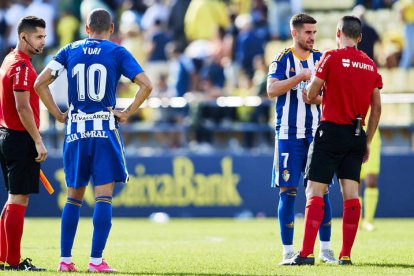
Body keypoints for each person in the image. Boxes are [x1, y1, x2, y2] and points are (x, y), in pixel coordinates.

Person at [34, 8, 152, 272]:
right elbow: (146, 84)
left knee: (73, 197)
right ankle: (96, 261)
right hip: (103, 128)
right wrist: (127, 112)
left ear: (86, 29)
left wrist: (58, 114)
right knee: (103, 197)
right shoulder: (118, 51)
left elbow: (40, 83)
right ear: (111, 29)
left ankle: (65, 261)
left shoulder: (69, 49)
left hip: (76, 130)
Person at [286, 15, 382, 265]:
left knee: (314, 190)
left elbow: (313, 92)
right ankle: (346, 255)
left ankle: (306, 253)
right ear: (360, 37)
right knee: (351, 193)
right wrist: (368, 141)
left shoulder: (331, 57)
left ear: (338, 34)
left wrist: (318, 96)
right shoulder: (371, 65)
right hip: (357, 134)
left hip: (330, 132)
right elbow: (377, 109)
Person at [266, 13, 336, 265]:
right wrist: (299, 77)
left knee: (322, 191)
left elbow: (330, 97)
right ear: (294, 33)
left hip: (317, 134)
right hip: (287, 134)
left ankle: (326, 250)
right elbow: (271, 90)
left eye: (314, 32)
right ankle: (287, 251)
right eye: (307, 32)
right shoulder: (282, 57)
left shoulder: (321, 58)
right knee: (288, 192)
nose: (312, 37)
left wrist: (314, 98)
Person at [0, 16, 47, 271]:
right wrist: (38, 141)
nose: (43, 41)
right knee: (18, 200)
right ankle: (14, 262)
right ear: (23, 36)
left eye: (44, 36)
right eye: (38, 36)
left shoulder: (9, 59)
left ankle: (4, 257)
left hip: (8, 136)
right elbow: (22, 107)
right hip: (20, 138)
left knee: (12, 200)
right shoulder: (20, 66)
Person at [360, 125, 381, 232]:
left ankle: (368, 220)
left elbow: (377, 110)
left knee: (371, 181)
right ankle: (356, 220)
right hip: (352, 132)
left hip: (372, 135)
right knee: (353, 182)